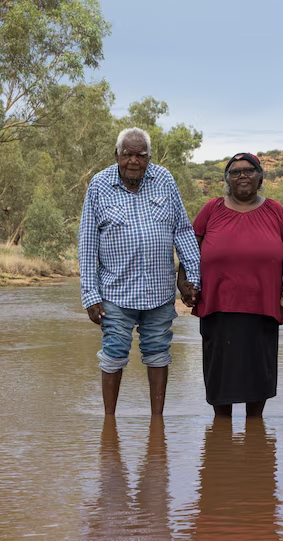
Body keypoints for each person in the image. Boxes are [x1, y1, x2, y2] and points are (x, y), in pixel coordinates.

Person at [79, 127, 201, 416]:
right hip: (115, 292)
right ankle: (110, 424)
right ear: (117, 155)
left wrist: (192, 279)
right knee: (113, 354)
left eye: (140, 155)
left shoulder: (164, 180)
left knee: (159, 352)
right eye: (127, 154)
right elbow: (87, 242)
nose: (134, 160)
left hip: (159, 290)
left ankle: (156, 423)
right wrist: (90, 295)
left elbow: (183, 231)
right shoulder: (99, 185)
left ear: (149, 157)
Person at [178, 153, 283, 418]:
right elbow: (190, 249)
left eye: (249, 170)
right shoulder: (212, 209)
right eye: (235, 172)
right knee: (220, 377)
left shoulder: (274, 211)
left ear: (260, 176)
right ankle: (222, 442)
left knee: (258, 377)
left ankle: (255, 440)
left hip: (262, 308)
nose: (242, 176)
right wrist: (182, 281)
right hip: (218, 307)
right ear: (227, 179)